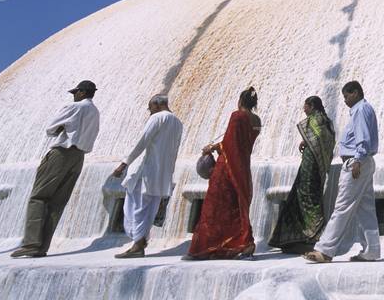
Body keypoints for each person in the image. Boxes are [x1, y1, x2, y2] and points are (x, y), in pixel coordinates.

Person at [11, 80, 101, 258]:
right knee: (58, 203)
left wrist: (61, 128)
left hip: (62, 153)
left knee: (39, 197)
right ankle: (42, 247)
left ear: (82, 92)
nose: (74, 95)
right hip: (79, 157)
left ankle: (31, 244)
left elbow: (50, 129)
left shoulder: (74, 107)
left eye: (76, 92)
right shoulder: (95, 112)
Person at [305, 81, 380, 263]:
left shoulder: (360, 110)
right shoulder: (365, 109)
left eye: (346, 96)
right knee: (365, 209)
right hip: (363, 162)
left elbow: (362, 138)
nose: (345, 100)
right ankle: (372, 250)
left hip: (357, 163)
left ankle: (325, 250)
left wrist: (357, 161)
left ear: (355, 93)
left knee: (342, 207)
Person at [185, 86, 261, 260]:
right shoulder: (256, 120)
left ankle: (209, 246)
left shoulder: (237, 116)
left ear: (240, 101)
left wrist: (212, 147)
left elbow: (229, 144)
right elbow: (239, 144)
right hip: (243, 167)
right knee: (237, 205)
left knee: (216, 207)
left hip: (226, 168)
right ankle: (242, 242)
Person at [111, 94, 184, 258]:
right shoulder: (178, 123)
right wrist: (169, 173)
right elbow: (175, 150)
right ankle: (140, 240)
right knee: (148, 209)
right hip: (161, 173)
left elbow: (142, 141)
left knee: (135, 207)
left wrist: (124, 163)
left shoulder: (157, 118)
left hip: (146, 171)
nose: (149, 111)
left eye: (150, 107)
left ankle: (138, 245)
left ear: (157, 105)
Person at [269, 96, 336, 254]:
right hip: (319, 168)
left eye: (305, 106)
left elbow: (316, 138)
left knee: (306, 198)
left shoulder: (314, 119)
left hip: (310, 166)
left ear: (312, 106)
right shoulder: (327, 121)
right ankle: (306, 236)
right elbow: (322, 141)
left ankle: (313, 236)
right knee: (312, 197)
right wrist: (306, 141)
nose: (304, 109)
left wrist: (308, 141)